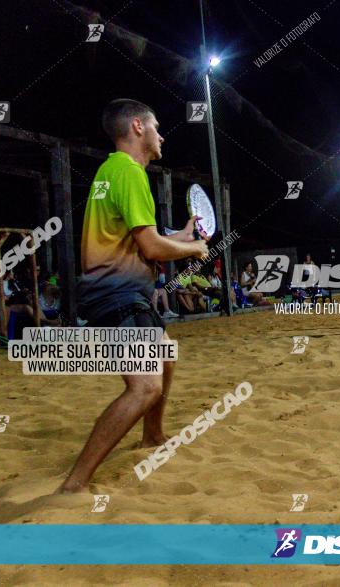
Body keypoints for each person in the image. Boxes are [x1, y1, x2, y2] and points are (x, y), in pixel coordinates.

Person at [58, 99, 209, 493]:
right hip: (117, 295)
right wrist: (193, 251)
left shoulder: (113, 170)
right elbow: (155, 251)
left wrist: (182, 236)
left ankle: (152, 436)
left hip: (120, 291)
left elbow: (145, 242)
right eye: (157, 127)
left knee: (166, 354)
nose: (162, 135)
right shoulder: (129, 173)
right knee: (145, 386)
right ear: (138, 127)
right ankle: (74, 483)